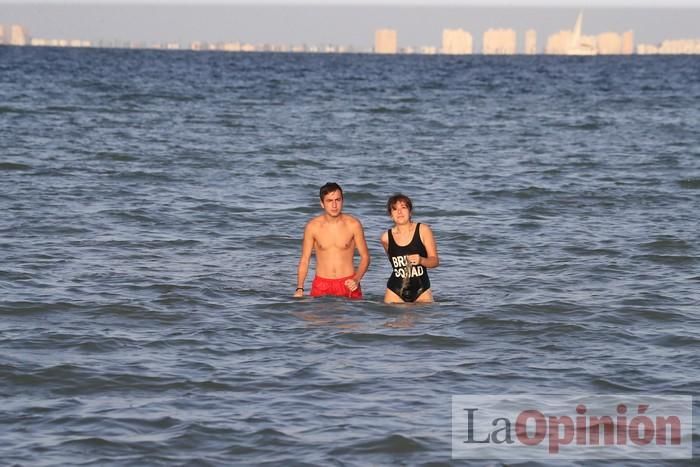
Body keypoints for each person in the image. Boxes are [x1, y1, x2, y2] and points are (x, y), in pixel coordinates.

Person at [294, 182, 370, 299]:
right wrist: (300, 288)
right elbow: (305, 259)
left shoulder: (353, 225)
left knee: (354, 317)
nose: (334, 205)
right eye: (329, 201)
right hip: (321, 284)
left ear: (342, 201)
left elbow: (365, 257)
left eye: (337, 200)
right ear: (322, 204)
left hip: (348, 284)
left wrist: (356, 279)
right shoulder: (312, 227)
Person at [380, 194, 439, 303]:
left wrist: (422, 260)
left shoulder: (423, 230)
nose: (399, 212)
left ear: (410, 212)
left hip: (422, 290)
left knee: (428, 319)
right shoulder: (385, 238)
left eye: (403, 208)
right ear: (391, 215)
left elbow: (435, 261)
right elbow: (394, 264)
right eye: (395, 209)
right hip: (395, 290)